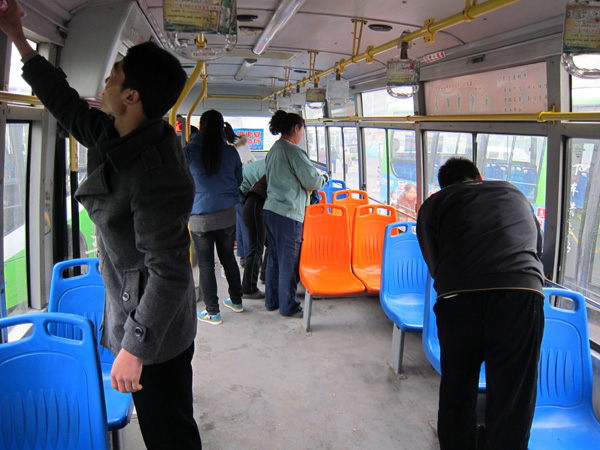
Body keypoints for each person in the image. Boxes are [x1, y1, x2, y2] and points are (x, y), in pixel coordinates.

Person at [0, 3, 202, 448]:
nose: (107, 80)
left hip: (158, 331)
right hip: (135, 311)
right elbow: (67, 106)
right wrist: (18, 38)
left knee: (169, 432)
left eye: (115, 74)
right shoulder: (119, 135)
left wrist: (135, 347)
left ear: (131, 97)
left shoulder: (156, 176)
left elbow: (170, 272)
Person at [416, 157, 545, 450]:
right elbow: (536, 249)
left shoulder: (434, 205)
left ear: (443, 186)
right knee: (514, 396)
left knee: (457, 390)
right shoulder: (514, 193)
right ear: (479, 177)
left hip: (459, 299)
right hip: (521, 295)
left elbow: (435, 266)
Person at [263, 110, 328, 316]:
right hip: (288, 214)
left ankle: (272, 301)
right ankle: (288, 306)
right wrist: (324, 178)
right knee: (289, 263)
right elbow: (312, 181)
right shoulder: (293, 151)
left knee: (274, 259)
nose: (301, 135)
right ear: (296, 128)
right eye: (302, 130)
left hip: (271, 210)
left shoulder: (274, 149)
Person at [185, 110, 243, 325]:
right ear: (221, 127)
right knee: (228, 258)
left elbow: (182, 181)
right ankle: (236, 301)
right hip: (227, 215)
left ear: (200, 127)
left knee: (206, 264)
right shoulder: (231, 152)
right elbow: (239, 179)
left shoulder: (188, 152)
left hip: (200, 217)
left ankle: (213, 312)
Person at [240, 159, 267, 299]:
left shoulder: (273, 168)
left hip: (254, 207)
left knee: (271, 243)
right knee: (256, 248)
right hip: (254, 209)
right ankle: (248, 289)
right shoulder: (275, 172)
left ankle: (265, 275)